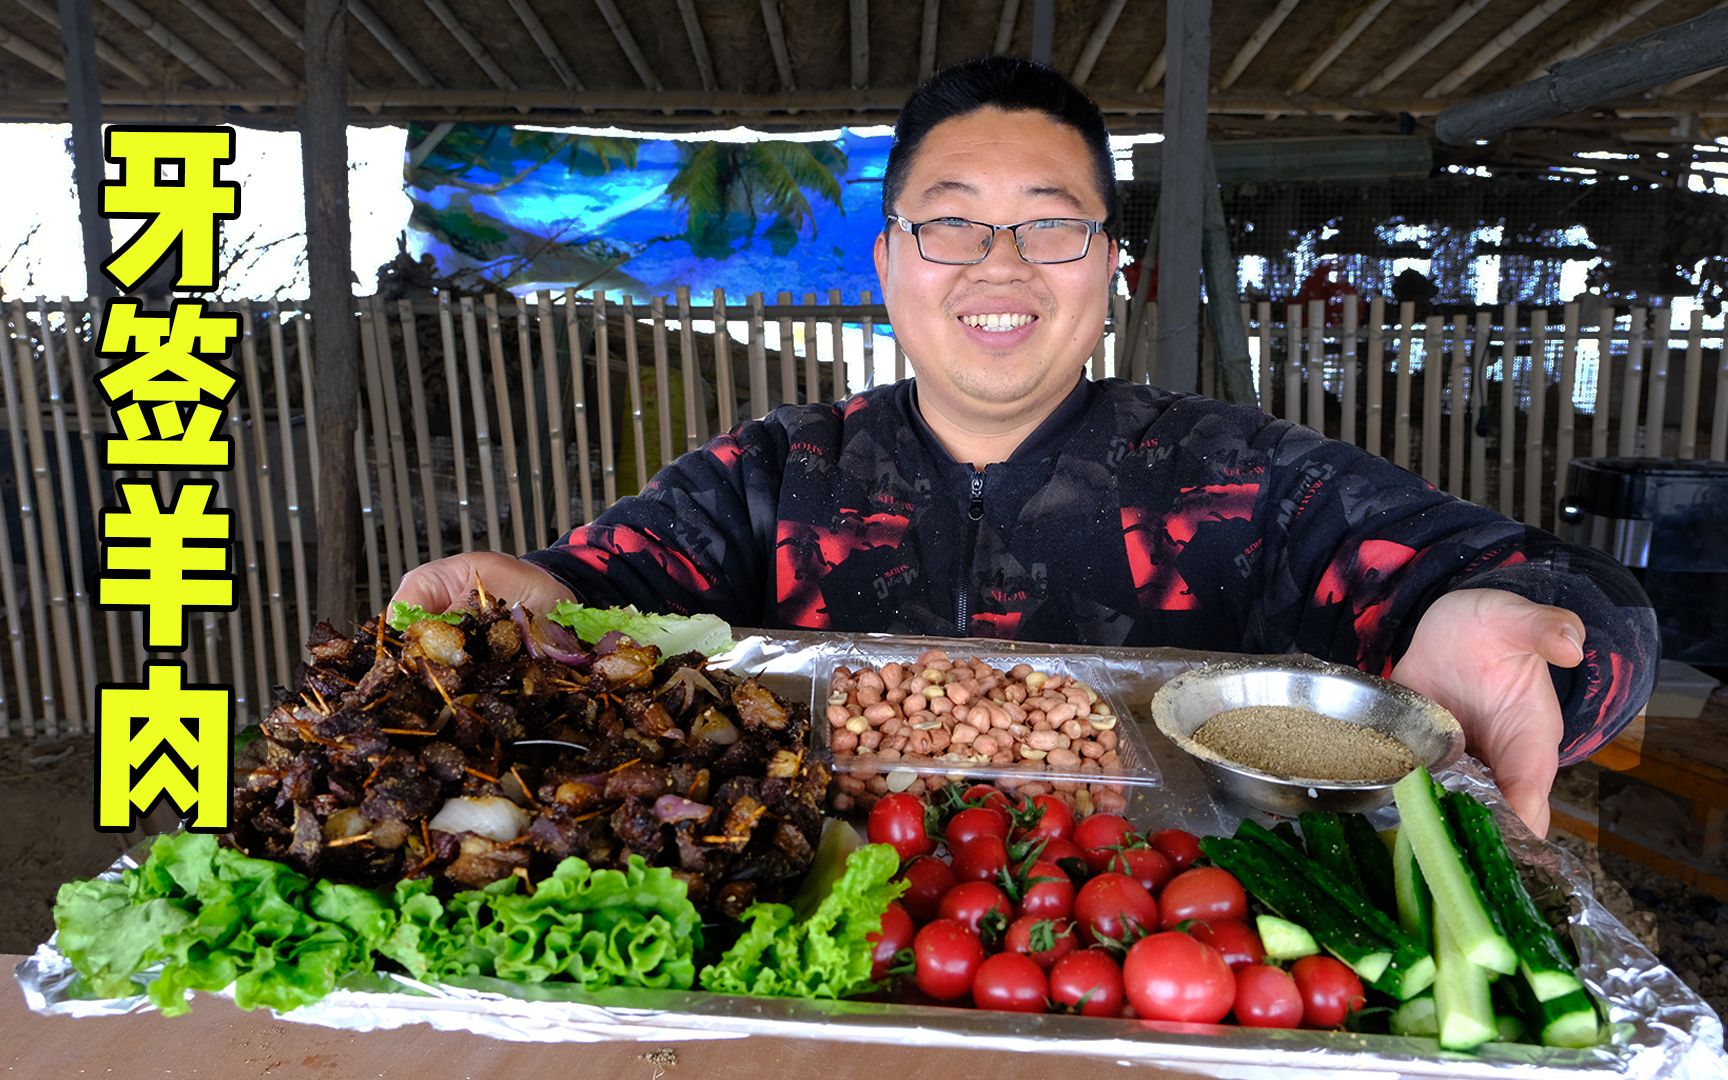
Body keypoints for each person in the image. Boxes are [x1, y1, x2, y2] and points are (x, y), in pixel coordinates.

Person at [394, 56, 1657, 839]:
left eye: (1050, 228)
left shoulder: (1241, 478)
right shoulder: (771, 478)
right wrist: (534, 599)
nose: (1000, 268)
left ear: (1109, 263)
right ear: (888, 264)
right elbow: (604, 592)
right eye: (951, 227)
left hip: (1161, 968)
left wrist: (1533, 632)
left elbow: (1556, 596)